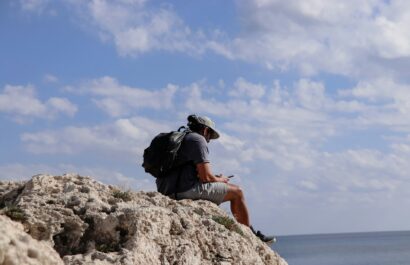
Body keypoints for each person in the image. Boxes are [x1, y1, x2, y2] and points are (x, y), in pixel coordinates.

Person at [156, 114, 275, 243]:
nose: (209, 140)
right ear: (205, 130)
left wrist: (213, 178)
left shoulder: (180, 140)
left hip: (165, 190)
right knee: (237, 192)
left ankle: (249, 231)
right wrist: (221, 179)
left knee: (223, 186)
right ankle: (251, 236)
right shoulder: (198, 140)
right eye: (210, 136)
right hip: (183, 191)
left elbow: (184, 172)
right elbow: (206, 176)